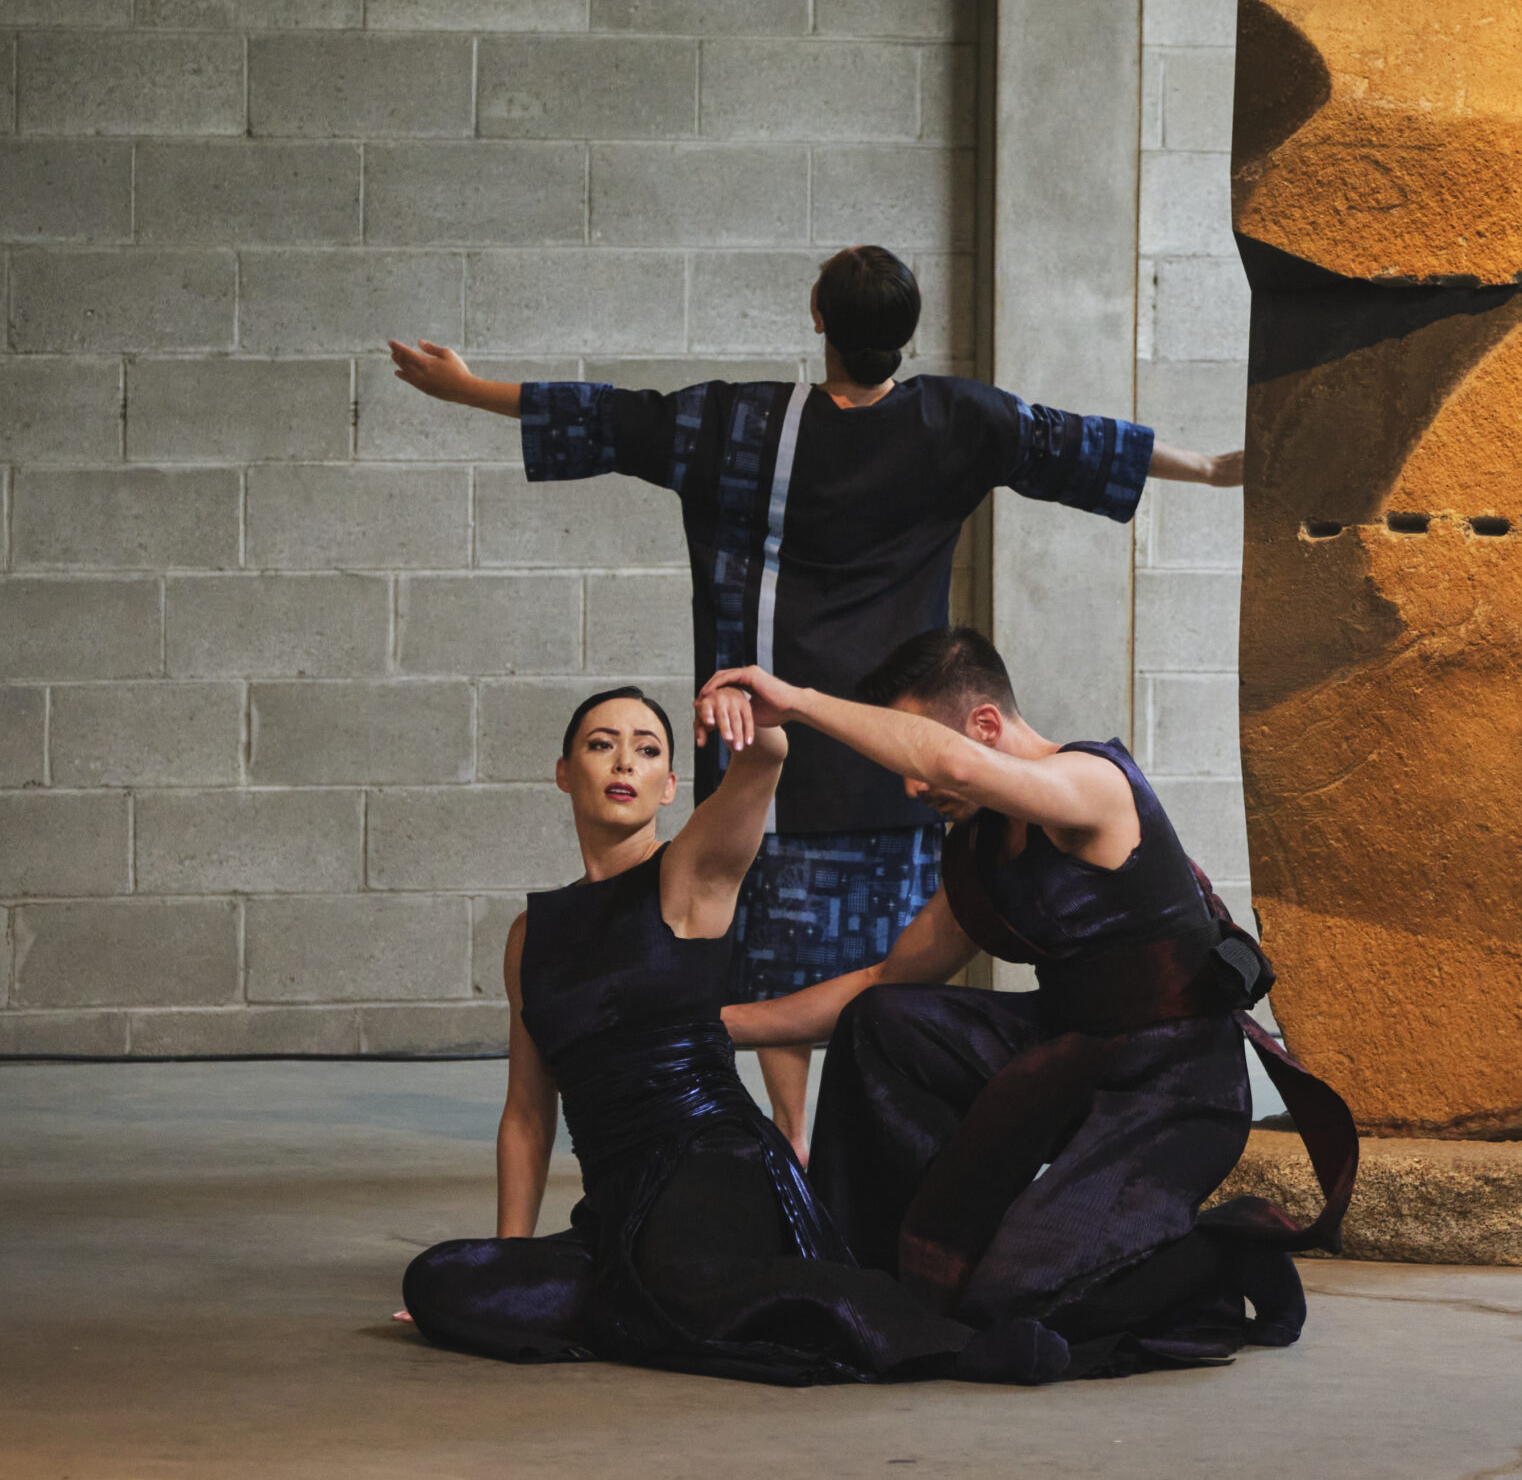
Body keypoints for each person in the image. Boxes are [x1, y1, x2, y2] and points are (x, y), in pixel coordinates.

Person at [387, 245, 1241, 1159]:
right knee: (892, 974)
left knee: (764, 952)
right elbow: (1074, 440)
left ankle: (789, 1137)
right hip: (898, 752)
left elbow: (617, 420)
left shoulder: (748, 422)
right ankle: (869, 1140)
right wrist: (1217, 469)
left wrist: (468, 388)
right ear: (907, 336)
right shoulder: (959, 419)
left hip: (766, 739)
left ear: (817, 315)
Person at [704, 629, 1357, 1378]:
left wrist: (799, 703)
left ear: (984, 726)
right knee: (882, 1024)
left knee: (1012, 1300)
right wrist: (717, 1026)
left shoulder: (1093, 783)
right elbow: (881, 983)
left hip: (1176, 1087)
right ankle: (875, 1269)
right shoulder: (982, 848)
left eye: (919, 749)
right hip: (1068, 1057)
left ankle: (1224, 1253)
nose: (913, 786)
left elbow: (945, 762)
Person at [398, 684, 1063, 1385]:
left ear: (668, 786)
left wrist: (762, 726)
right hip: (617, 1202)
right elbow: (528, 1117)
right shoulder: (530, 937)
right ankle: (638, 1305)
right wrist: (509, 1264)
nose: (624, 761)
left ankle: (951, 1344)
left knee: (684, 1282)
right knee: (439, 1280)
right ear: (566, 772)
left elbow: (762, 768)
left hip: (714, 1159)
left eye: (647, 749)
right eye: (601, 745)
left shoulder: (689, 875)